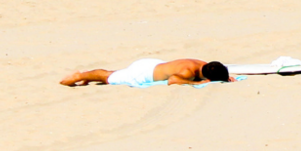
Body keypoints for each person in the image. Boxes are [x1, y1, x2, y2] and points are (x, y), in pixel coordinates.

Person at [61, 58, 231, 87]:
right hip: (145, 72)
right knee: (108, 77)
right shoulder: (187, 72)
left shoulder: (203, 64)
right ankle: (81, 75)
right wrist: (195, 83)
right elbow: (173, 80)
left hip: (155, 64)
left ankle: (88, 75)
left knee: (118, 73)